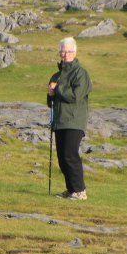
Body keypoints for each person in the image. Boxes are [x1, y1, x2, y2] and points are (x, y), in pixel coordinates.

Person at [47, 37, 92, 200]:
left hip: (74, 120)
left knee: (70, 154)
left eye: (68, 51)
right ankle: (71, 190)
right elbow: (50, 102)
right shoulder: (56, 75)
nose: (65, 54)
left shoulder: (81, 73)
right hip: (59, 121)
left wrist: (57, 89)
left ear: (75, 52)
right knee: (62, 156)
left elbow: (75, 96)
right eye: (62, 51)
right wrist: (50, 94)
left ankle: (80, 190)